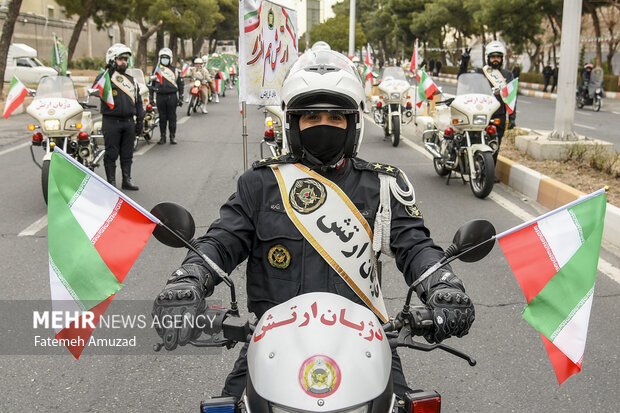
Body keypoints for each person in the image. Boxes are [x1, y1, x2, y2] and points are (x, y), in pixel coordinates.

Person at [152, 49, 475, 401]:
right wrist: (190, 277)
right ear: (293, 124)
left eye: (336, 118)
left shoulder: (381, 185)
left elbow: (415, 246)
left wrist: (443, 285)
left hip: (364, 342)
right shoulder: (260, 184)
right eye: (312, 117)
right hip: (272, 343)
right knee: (228, 407)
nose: (324, 125)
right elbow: (222, 240)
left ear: (353, 124)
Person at [459, 41, 514, 173]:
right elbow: (462, 79)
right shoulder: (480, 72)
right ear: (488, 58)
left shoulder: (507, 75)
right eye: (493, 56)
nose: (495, 59)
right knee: (476, 140)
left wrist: (512, 117)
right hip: (481, 112)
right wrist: (464, 62)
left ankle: (489, 172)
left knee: (495, 144)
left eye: (498, 57)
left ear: (502, 58)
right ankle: (473, 167)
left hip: (498, 115)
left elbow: (512, 98)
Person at [97, 43, 143, 191]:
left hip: (128, 122)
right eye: (120, 59)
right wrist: (109, 70)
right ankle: (111, 183)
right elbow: (97, 89)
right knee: (111, 153)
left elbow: (138, 101)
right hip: (111, 122)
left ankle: (126, 180)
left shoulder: (131, 80)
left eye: (126, 59)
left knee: (127, 154)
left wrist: (140, 121)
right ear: (112, 59)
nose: (124, 62)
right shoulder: (105, 78)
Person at [151, 48, 183, 145]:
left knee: (172, 117)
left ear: (170, 59)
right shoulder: (156, 70)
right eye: (163, 58)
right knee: (162, 118)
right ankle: (162, 137)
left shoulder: (175, 70)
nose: (165, 59)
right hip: (160, 97)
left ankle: (172, 136)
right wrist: (151, 98)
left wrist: (181, 97)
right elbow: (151, 85)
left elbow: (180, 85)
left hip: (172, 97)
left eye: (166, 58)